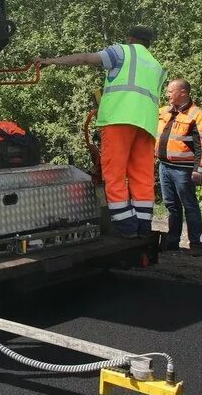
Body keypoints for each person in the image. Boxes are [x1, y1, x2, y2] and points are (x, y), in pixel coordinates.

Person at [37, 26, 166, 237]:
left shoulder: (122, 51)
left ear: (130, 38)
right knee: (141, 175)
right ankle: (143, 226)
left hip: (119, 119)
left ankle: (125, 226)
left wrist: (51, 61)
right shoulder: (156, 65)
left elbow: (86, 58)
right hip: (147, 124)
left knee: (114, 172)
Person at [156, 78, 202, 255]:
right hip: (164, 166)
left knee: (189, 205)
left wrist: (199, 169)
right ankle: (173, 241)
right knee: (171, 205)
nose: (168, 94)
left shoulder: (197, 115)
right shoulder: (164, 111)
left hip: (184, 169)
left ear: (183, 93)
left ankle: (195, 243)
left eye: (171, 91)